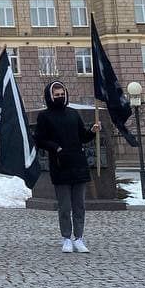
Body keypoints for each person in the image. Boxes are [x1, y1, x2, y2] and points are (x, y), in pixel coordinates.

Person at [33, 80, 100, 253]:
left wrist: (92, 131)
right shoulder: (44, 116)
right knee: (64, 206)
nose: (60, 97)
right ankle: (66, 238)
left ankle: (79, 237)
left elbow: (82, 136)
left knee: (79, 205)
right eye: (57, 95)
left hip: (78, 163)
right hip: (60, 164)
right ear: (50, 96)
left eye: (62, 94)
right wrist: (56, 147)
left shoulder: (73, 114)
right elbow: (39, 139)